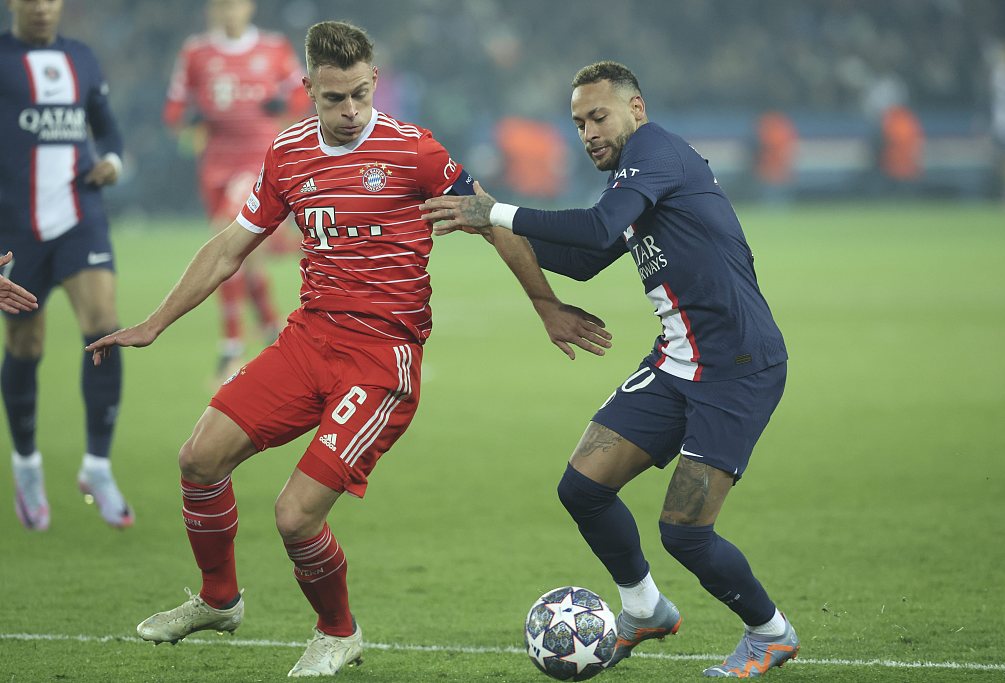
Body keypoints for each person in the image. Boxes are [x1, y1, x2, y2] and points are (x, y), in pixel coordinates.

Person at [86, 20, 611, 678]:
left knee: (294, 515)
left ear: (374, 82)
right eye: (334, 98)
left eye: (361, 93)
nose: (351, 110)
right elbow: (228, 247)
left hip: (380, 357)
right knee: (198, 457)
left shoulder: (413, 150)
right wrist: (155, 322)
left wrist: (545, 304)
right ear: (307, 88)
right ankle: (219, 599)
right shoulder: (289, 154)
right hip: (310, 338)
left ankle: (339, 631)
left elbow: (491, 221)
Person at [423, 61, 799, 678]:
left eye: (598, 116)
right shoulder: (636, 177)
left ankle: (770, 632)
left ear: (637, 108)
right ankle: (644, 609)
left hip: (736, 365)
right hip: (680, 360)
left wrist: (494, 212)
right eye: (578, 123)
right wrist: (489, 227)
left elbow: (597, 229)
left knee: (684, 534)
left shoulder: (656, 153)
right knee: (583, 488)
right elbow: (587, 258)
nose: (588, 132)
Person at [1, 0, 133, 531]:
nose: (40, 7)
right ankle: (27, 465)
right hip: (15, 229)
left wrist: (113, 163)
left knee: (104, 326)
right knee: (24, 347)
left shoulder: (81, 58)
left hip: (82, 219)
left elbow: (109, 130)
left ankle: (97, 466)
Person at [164, 0, 310, 381]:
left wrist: (285, 104)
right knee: (247, 257)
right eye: (223, 5)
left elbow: (301, 93)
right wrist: (189, 117)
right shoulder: (196, 52)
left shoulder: (273, 47)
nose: (230, 11)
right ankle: (274, 332)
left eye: (236, 4)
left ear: (249, 7)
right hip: (214, 166)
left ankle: (230, 349)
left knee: (225, 241)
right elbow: (174, 109)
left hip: (259, 161)